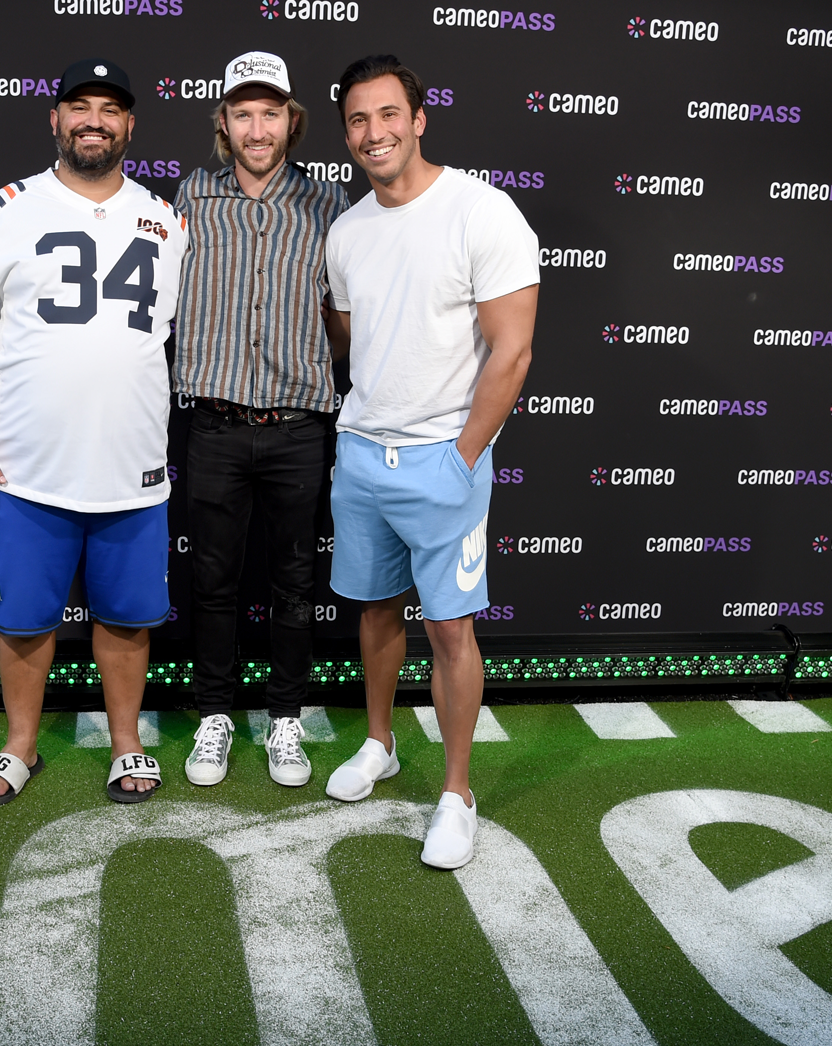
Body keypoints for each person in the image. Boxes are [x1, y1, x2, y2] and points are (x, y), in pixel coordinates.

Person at [0, 59, 188, 806]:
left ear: (131, 125)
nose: (95, 121)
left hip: (132, 466)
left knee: (130, 618)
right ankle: (21, 744)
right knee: (23, 621)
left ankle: (127, 742)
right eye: (80, 106)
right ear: (54, 118)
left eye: (111, 109)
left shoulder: (168, 220)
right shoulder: (1, 211)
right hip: (24, 467)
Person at [319, 55, 539, 869]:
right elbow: (349, 341)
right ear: (346, 134)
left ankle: (456, 793)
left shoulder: (482, 211)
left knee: (449, 629)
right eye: (357, 121)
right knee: (376, 612)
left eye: (387, 115)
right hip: (361, 452)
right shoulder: (346, 231)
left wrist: (464, 456)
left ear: (419, 118)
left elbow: (511, 352)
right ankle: (378, 744)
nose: (373, 134)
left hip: (444, 457)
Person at [174, 51, 349, 789]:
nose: (256, 126)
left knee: (294, 580)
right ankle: (215, 714)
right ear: (223, 122)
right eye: (242, 112)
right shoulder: (189, 196)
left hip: (298, 426)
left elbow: (346, 313)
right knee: (211, 579)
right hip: (213, 423)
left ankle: (284, 719)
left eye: (269, 112)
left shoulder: (327, 205)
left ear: (292, 121)